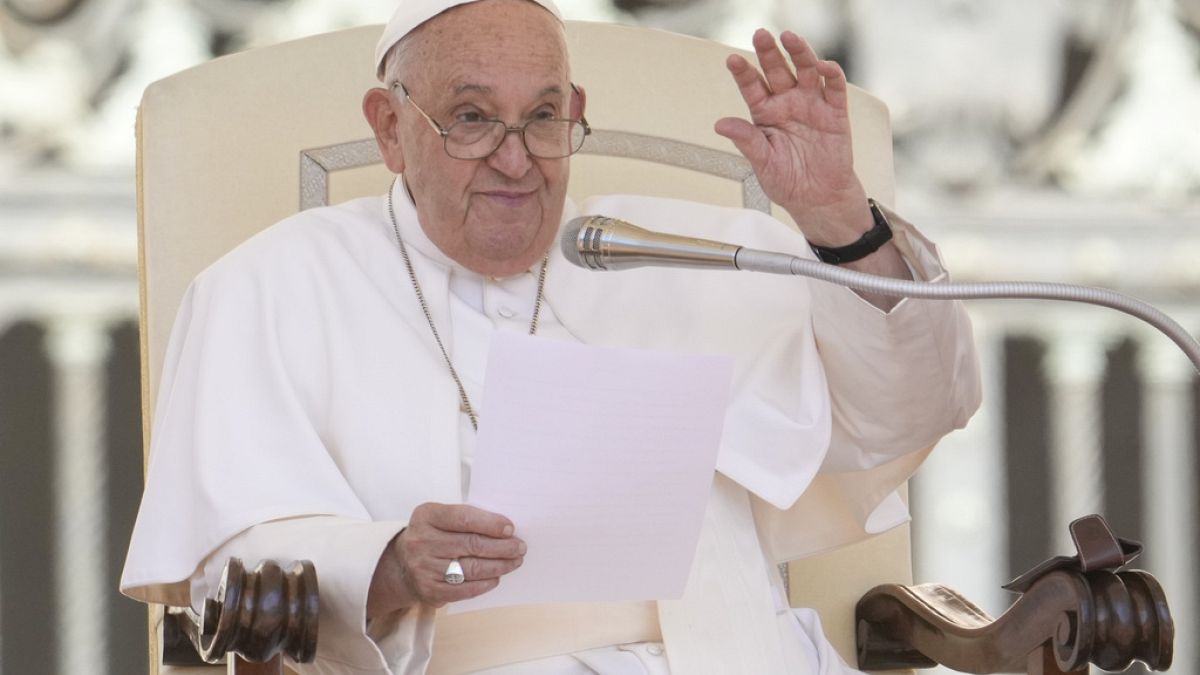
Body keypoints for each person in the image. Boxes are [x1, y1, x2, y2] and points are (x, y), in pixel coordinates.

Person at [121, 0, 982, 672]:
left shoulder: (693, 256)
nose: (515, 158)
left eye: (541, 116)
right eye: (470, 118)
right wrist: (386, 562)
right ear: (389, 128)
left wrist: (838, 219)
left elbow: (916, 411)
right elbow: (227, 569)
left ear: (573, 110)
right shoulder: (265, 288)